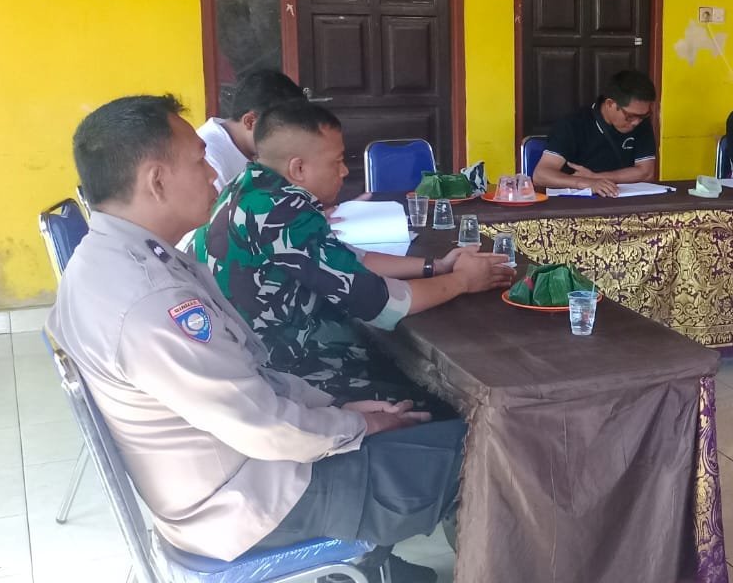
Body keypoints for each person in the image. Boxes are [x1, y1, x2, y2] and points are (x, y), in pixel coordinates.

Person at [50, 95, 460, 582]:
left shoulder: (105, 260)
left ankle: (378, 564)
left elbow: (250, 377)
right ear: (156, 181)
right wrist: (360, 426)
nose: (213, 173)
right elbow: (264, 427)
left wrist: (338, 408)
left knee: (408, 417)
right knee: (480, 453)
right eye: (199, 161)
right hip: (252, 500)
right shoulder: (150, 302)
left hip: (233, 472)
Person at [193, 102, 514, 403]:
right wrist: (463, 281)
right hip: (291, 379)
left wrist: (436, 266)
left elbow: (345, 259)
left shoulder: (248, 187)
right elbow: (380, 303)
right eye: (337, 161)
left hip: (265, 364)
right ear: (299, 168)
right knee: (444, 398)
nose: (345, 171)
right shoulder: (283, 210)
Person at [532, 70, 658, 197]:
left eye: (644, 116)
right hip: (578, 201)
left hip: (624, 200)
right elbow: (541, 175)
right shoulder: (572, 125)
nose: (636, 122)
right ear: (610, 104)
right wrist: (586, 183)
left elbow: (646, 173)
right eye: (630, 116)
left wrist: (596, 177)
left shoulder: (641, 122)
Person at [200, 69, 308, 192]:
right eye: (281, 130)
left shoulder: (249, 145)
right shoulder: (211, 159)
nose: (287, 141)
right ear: (250, 121)